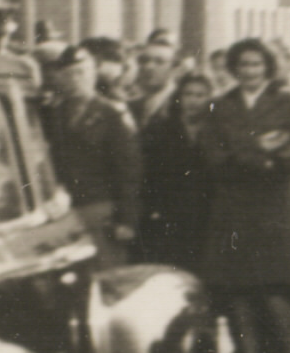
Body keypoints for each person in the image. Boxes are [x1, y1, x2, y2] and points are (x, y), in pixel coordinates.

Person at [198, 36, 290, 353]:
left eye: (256, 64)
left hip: (273, 201)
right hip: (233, 201)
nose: (249, 71)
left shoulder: (288, 100)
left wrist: (268, 160)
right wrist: (256, 152)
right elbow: (212, 152)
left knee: (274, 285)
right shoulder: (220, 106)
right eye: (242, 65)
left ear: (268, 67)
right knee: (237, 287)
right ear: (233, 69)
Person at [40, 42, 142, 249]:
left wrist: (127, 220)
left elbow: (130, 171)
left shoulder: (112, 113)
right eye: (68, 74)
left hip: (102, 208)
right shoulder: (54, 113)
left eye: (81, 72)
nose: (75, 80)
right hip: (64, 209)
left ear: (94, 74)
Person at [136, 69, 217, 274]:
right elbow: (147, 173)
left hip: (208, 213)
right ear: (179, 96)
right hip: (170, 212)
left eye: (200, 95)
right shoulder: (160, 129)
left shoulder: (217, 130)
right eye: (188, 94)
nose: (193, 101)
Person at [124, 38, 180, 127]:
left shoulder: (182, 104)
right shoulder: (131, 107)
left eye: (159, 62)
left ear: (174, 68)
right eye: (144, 61)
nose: (149, 67)